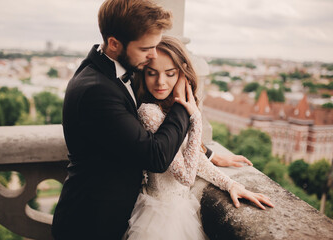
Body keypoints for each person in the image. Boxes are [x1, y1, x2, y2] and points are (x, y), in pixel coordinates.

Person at [52, 0, 200, 239]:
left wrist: (207, 153)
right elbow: (157, 156)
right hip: (90, 223)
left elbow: (138, 131)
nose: (153, 56)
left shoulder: (112, 71)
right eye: (145, 49)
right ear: (114, 43)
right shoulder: (97, 90)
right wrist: (183, 106)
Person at [124, 36, 274, 240]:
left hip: (179, 209)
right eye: (152, 73)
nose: (161, 82)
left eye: (170, 74)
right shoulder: (149, 112)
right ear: (143, 74)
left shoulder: (169, 108)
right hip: (161, 217)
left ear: (182, 75)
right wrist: (196, 120)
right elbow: (186, 176)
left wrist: (230, 184)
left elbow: (194, 159)